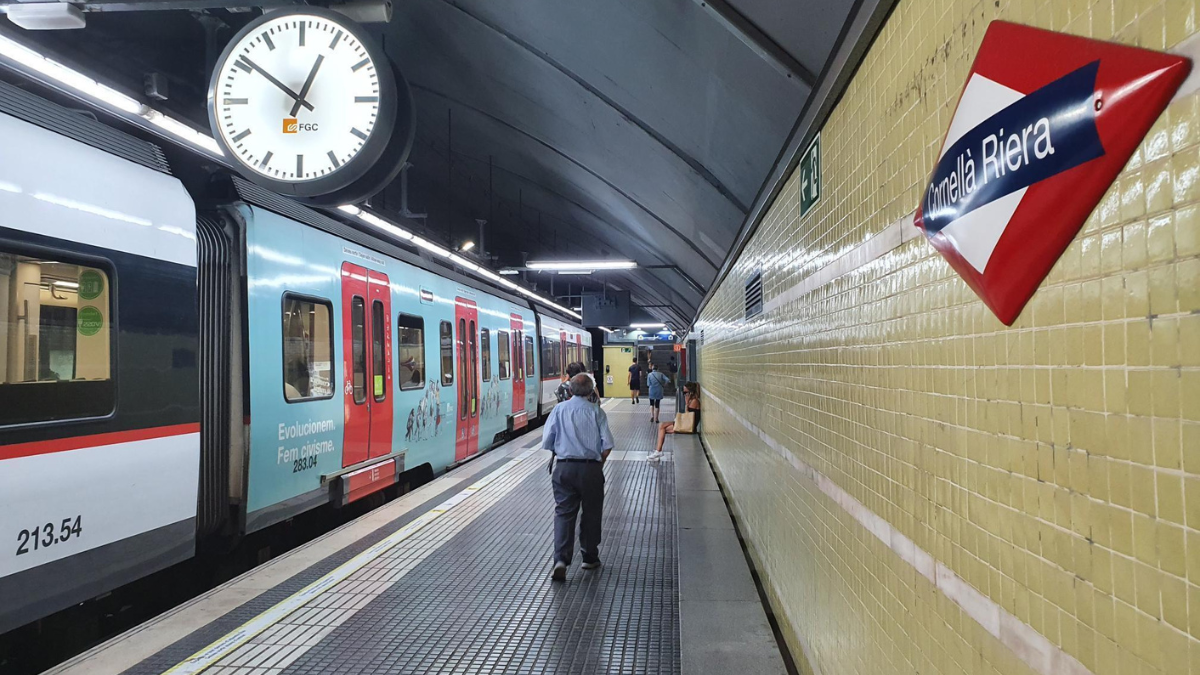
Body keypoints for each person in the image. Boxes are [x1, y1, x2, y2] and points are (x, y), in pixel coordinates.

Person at [543, 373, 613, 581]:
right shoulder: (596, 412)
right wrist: (597, 462)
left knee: (564, 513)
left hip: (564, 468)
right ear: (591, 392)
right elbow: (607, 445)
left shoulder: (558, 410)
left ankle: (561, 560)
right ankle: (589, 557)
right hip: (591, 468)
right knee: (591, 513)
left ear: (570, 390)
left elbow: (548, 441)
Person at [647, 381, 700, 462]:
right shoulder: (691, 400)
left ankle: (658, 451)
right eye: (684, 392)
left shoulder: (694, 401)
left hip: (689, 426)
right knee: (662, 427)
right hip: (686, 424)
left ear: (691, 391)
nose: (684, 394)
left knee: (662, 426)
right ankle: (658, 451)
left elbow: (688, 416)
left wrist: (687, 402)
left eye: (686, 392)